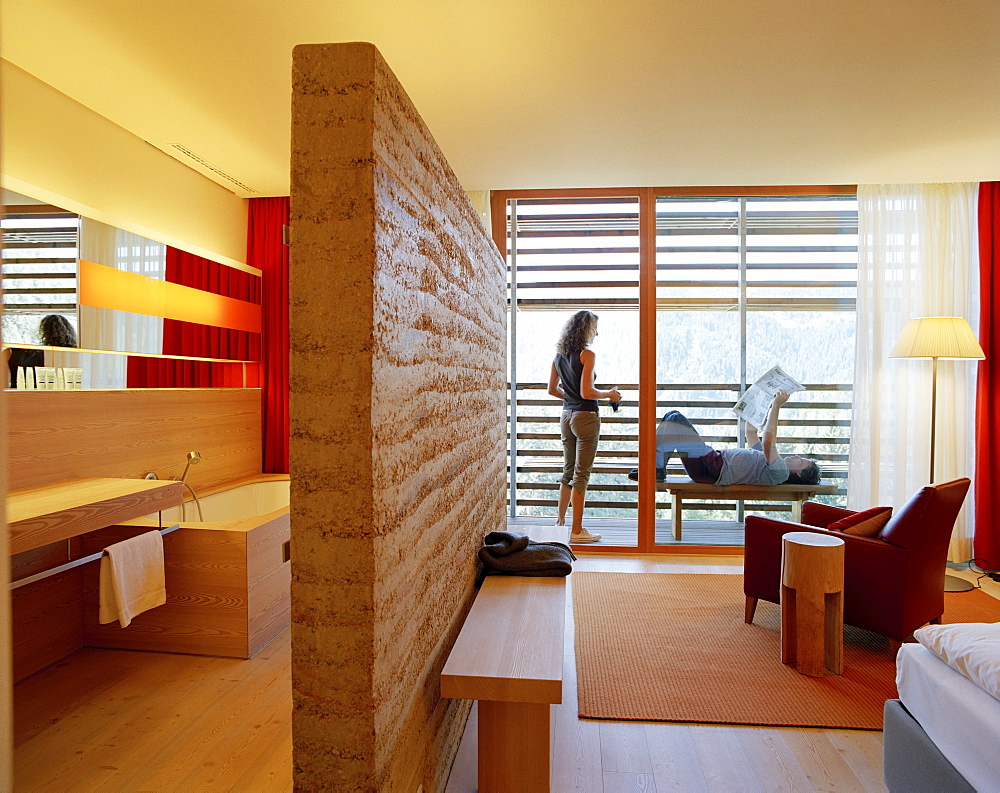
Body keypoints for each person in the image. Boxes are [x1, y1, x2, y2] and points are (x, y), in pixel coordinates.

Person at [627, 390, 821, 486]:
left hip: (714, 467)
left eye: (801, 461)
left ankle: (656, 469)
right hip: (710, 463)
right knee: (672, 418)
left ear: (799, 474)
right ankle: (656, 468)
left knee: (675, 418)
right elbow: (751, 432)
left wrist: (777, 405)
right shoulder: (768, 462)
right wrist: (761, 401)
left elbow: (769, 441)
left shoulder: (780, 472)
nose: (797, 456)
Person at [548, 310, 621, 543]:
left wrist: (571, 400)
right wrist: (610, 394)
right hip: (586, 417)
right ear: (586, 330)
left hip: (566, 416)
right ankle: (577, 531)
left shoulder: (558, 355)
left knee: (567, 471)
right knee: (581, 475)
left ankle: (560, 525)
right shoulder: (587, 355)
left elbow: (551, 389)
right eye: (594, 328)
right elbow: (587, 392)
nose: (597, 333)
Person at [5, 314, 78, 388]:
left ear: (43, 332)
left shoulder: (16, 353)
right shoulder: (78, 356)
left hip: (21, 396)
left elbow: (3, 385)